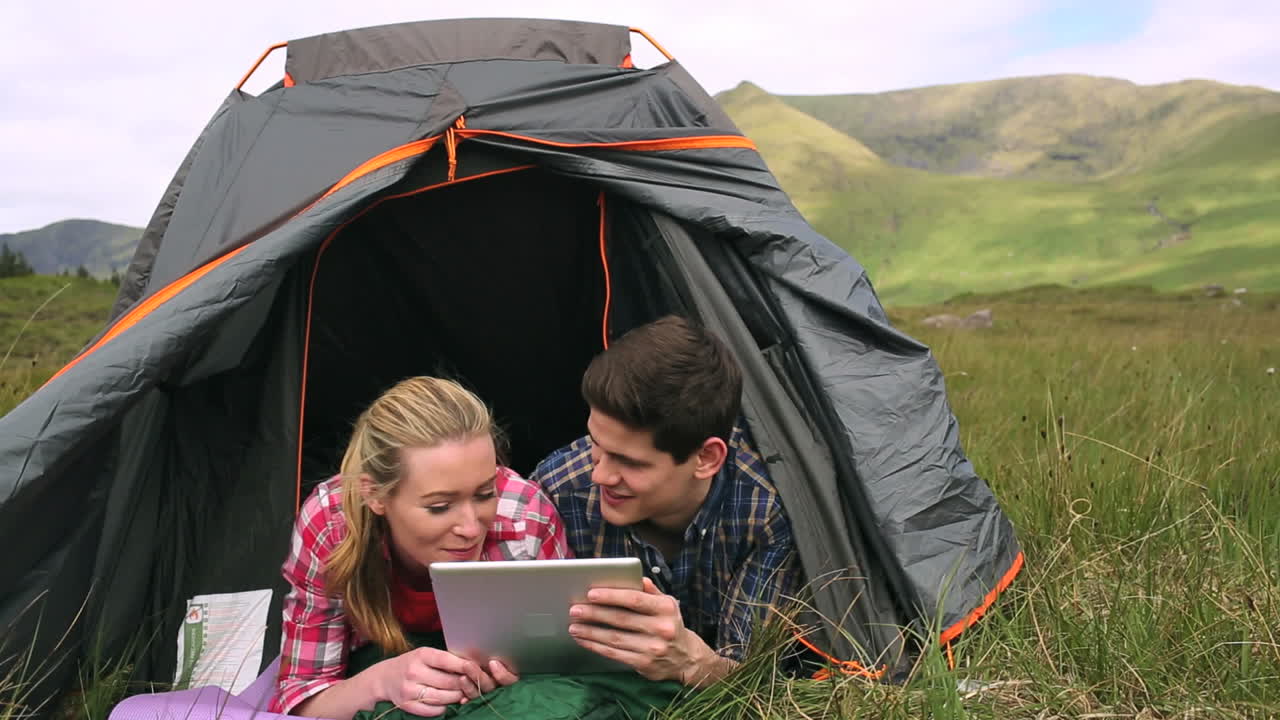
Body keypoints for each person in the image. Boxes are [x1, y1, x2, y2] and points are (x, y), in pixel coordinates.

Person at [270, 376, 571, 719]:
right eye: (440, 506)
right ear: (376, 495)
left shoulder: (526, 516)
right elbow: (300, 700)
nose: (471, 528)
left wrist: (523, 672)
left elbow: (568, 666)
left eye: (486, 493)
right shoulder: (332, 524)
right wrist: (381, 682)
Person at [532, 315, 801, 689]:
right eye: (596, 443)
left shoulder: (764, 512)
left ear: (706, 459)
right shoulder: (558, 489)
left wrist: (692, 661)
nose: (600, 475)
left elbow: (755, 681)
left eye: (629, 462)